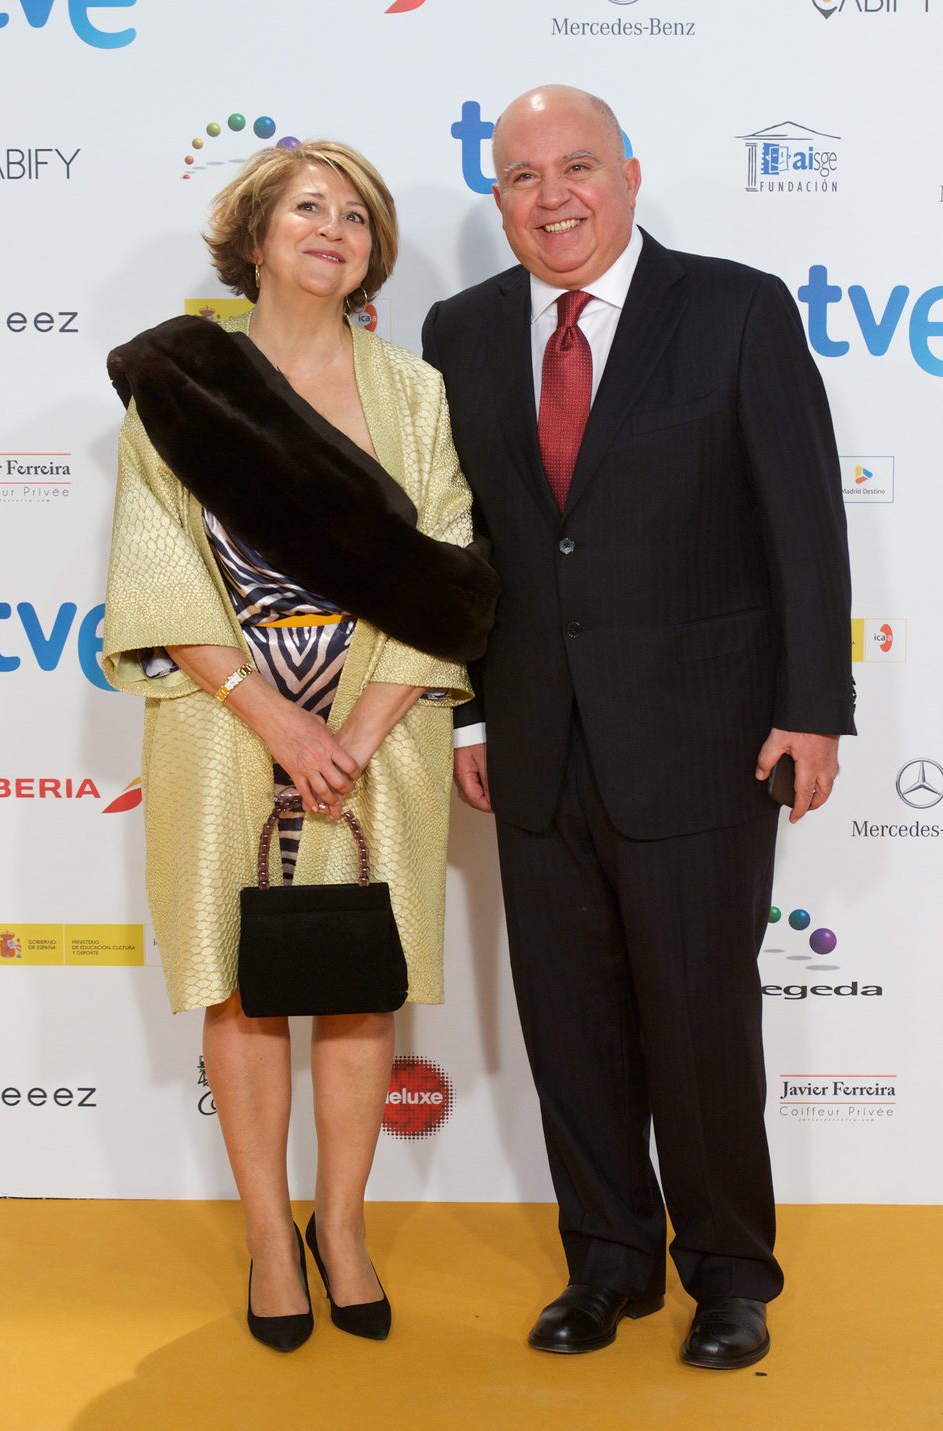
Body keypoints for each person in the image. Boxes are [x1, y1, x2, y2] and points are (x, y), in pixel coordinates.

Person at [423, 86, 854, 1368]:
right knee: (570, 1024)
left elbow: (804, 519)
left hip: (707, 740)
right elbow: (468, 547)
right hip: (537, 743)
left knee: (703, 1023)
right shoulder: (458, 329)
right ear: (494, 199)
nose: (552, 197)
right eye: (520, 178)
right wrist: (468, 715)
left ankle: (730, 1275)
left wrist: (812, 709)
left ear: (628, 174)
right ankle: (606, 1263)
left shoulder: (734, 306)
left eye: (577, 167)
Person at [101, 141, 498, 1352]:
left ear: (371, 254)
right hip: (225, 732)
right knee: (242, 982)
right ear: (257, 237)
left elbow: (451, 569)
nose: (333, 230)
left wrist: (360, 725)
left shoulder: (416, 393)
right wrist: (274, 717)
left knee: (359, 981)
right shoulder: (181, 384)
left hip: (384, 730)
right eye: (307, 209)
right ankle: (271, 1237)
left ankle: (343, 1227)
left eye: (358, 218)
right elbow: (155, 569)